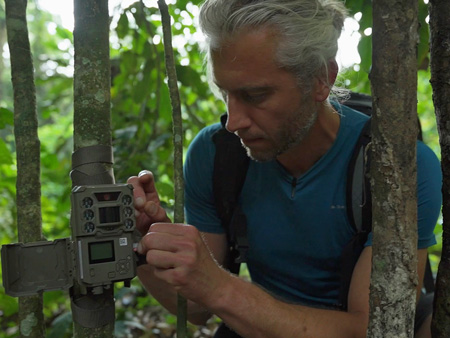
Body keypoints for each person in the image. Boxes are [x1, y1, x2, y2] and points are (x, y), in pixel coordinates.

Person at [127, 0, 442, 337]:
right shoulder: (216, 154)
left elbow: (369, 330)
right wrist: (145, 246)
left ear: (322, 79)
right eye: (225, 92)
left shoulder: (397, 166)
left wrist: (220, 287)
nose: (233, 122)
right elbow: (197, 309)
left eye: (256, 95)